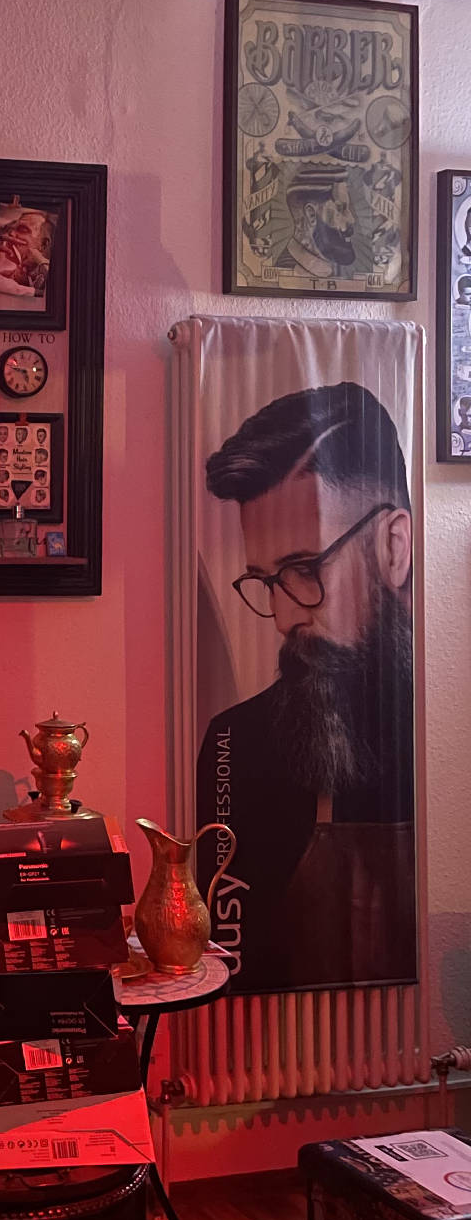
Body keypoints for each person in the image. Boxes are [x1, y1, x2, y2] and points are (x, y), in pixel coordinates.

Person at [196, 382, 415, 989]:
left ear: (394, 546)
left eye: (305, 569)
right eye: (268, 581)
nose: (285, 615)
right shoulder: (237, 743)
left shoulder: (452, 731)